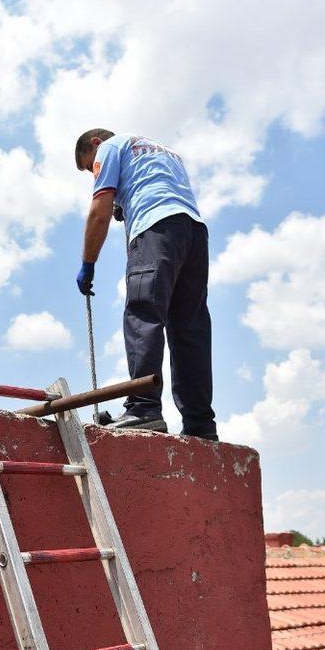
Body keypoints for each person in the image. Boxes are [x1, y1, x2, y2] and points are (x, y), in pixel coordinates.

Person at [75, 128, 218, 441]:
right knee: (189, 329)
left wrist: (88, 263)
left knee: (143, 312)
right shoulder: (162, 150)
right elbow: (152, 187)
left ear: (95, 145)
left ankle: (143, 408)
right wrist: (123, 206)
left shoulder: (110, 147)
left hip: (155, 229)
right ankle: (201, 425)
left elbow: (99, 213)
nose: (93, 173)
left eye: (90, 167)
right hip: (193, 233)